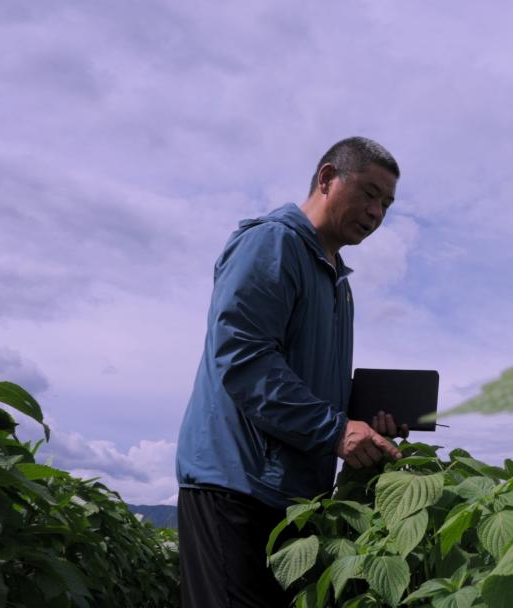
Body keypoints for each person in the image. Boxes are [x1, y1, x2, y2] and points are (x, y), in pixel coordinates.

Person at [175, 137, 409, 607]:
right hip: (237, 485)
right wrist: (334, 429)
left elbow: (312, 379)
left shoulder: (338, 281)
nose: (376, 211)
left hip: (294, 494)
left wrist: (365, 421)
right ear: (326, 179)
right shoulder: (272, 243)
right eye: (368, 192)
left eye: (386, 203)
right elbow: (244, 358)